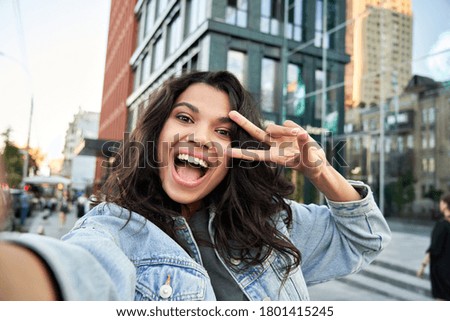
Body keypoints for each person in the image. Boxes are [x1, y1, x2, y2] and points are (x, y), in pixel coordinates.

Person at [0, 71, 391, 301]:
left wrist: (319, 171)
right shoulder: (112, 230)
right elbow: (81, 271)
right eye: (185, 118)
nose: (202, 138)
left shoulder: (269, 223)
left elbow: (365, 239)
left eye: (222, 130)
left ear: (237, 152)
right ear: (158, 132)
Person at [417, 194, 450, 300]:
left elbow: (434, 249)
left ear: (445, 205)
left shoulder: (442, 225)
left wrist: (423, 266)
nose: (440, 205)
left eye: (441, 202)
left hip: (442, 272)